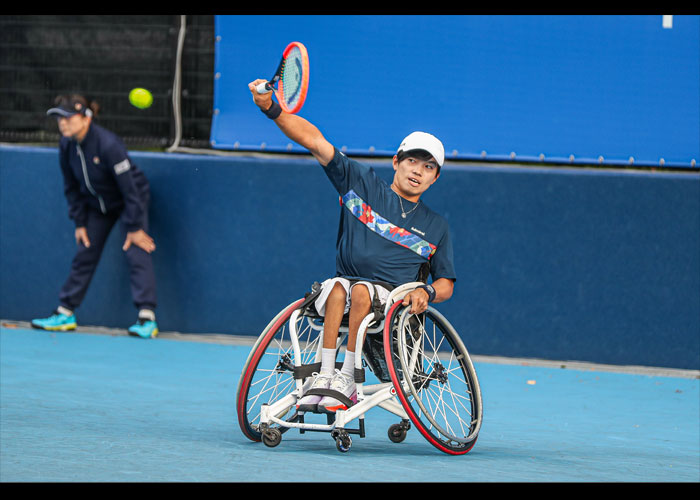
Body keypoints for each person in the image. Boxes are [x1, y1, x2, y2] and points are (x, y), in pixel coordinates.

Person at [248, 79, 456, 413]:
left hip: (391, 303)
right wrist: (272, 108)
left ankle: (348, 376)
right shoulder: (360, 183)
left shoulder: (436, 227)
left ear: (435, 177)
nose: (418, 171)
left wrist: (428, 294)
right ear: (396, 162)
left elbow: (445, 283)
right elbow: (315, 142)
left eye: (428, 167)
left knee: (359, 291)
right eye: (412, 162)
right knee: (340, 287)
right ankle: (325, 375)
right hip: (341, 290)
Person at [31, 94, 158, 339]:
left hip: (129, 200)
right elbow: (70, 187)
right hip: (97, 206)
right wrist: (79, 222)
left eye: (68, 118)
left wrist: (134, 226)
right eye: (59, 118)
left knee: (136, 249)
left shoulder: (108, 145)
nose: (63, 123)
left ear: (86, 118)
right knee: (85, 251)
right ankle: (65, 313)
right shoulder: (66, 145)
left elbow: (130, 189)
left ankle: (147, 317)